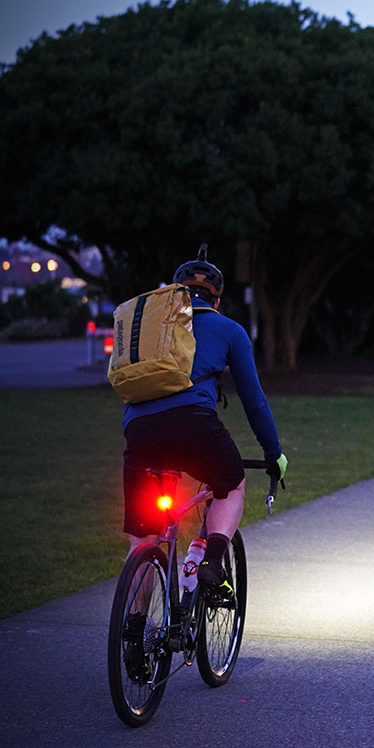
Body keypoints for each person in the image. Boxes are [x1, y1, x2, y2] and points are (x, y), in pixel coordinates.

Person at [121, 248, 286, 599]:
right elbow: (254, 401)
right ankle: (212, 562)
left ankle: (132, 639)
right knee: (231, 484)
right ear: (217, 299)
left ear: (175, 292)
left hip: (139, 430)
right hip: (193, 424)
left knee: (143, 538)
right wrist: (274, 452)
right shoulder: (229, 329)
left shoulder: (154, 329)